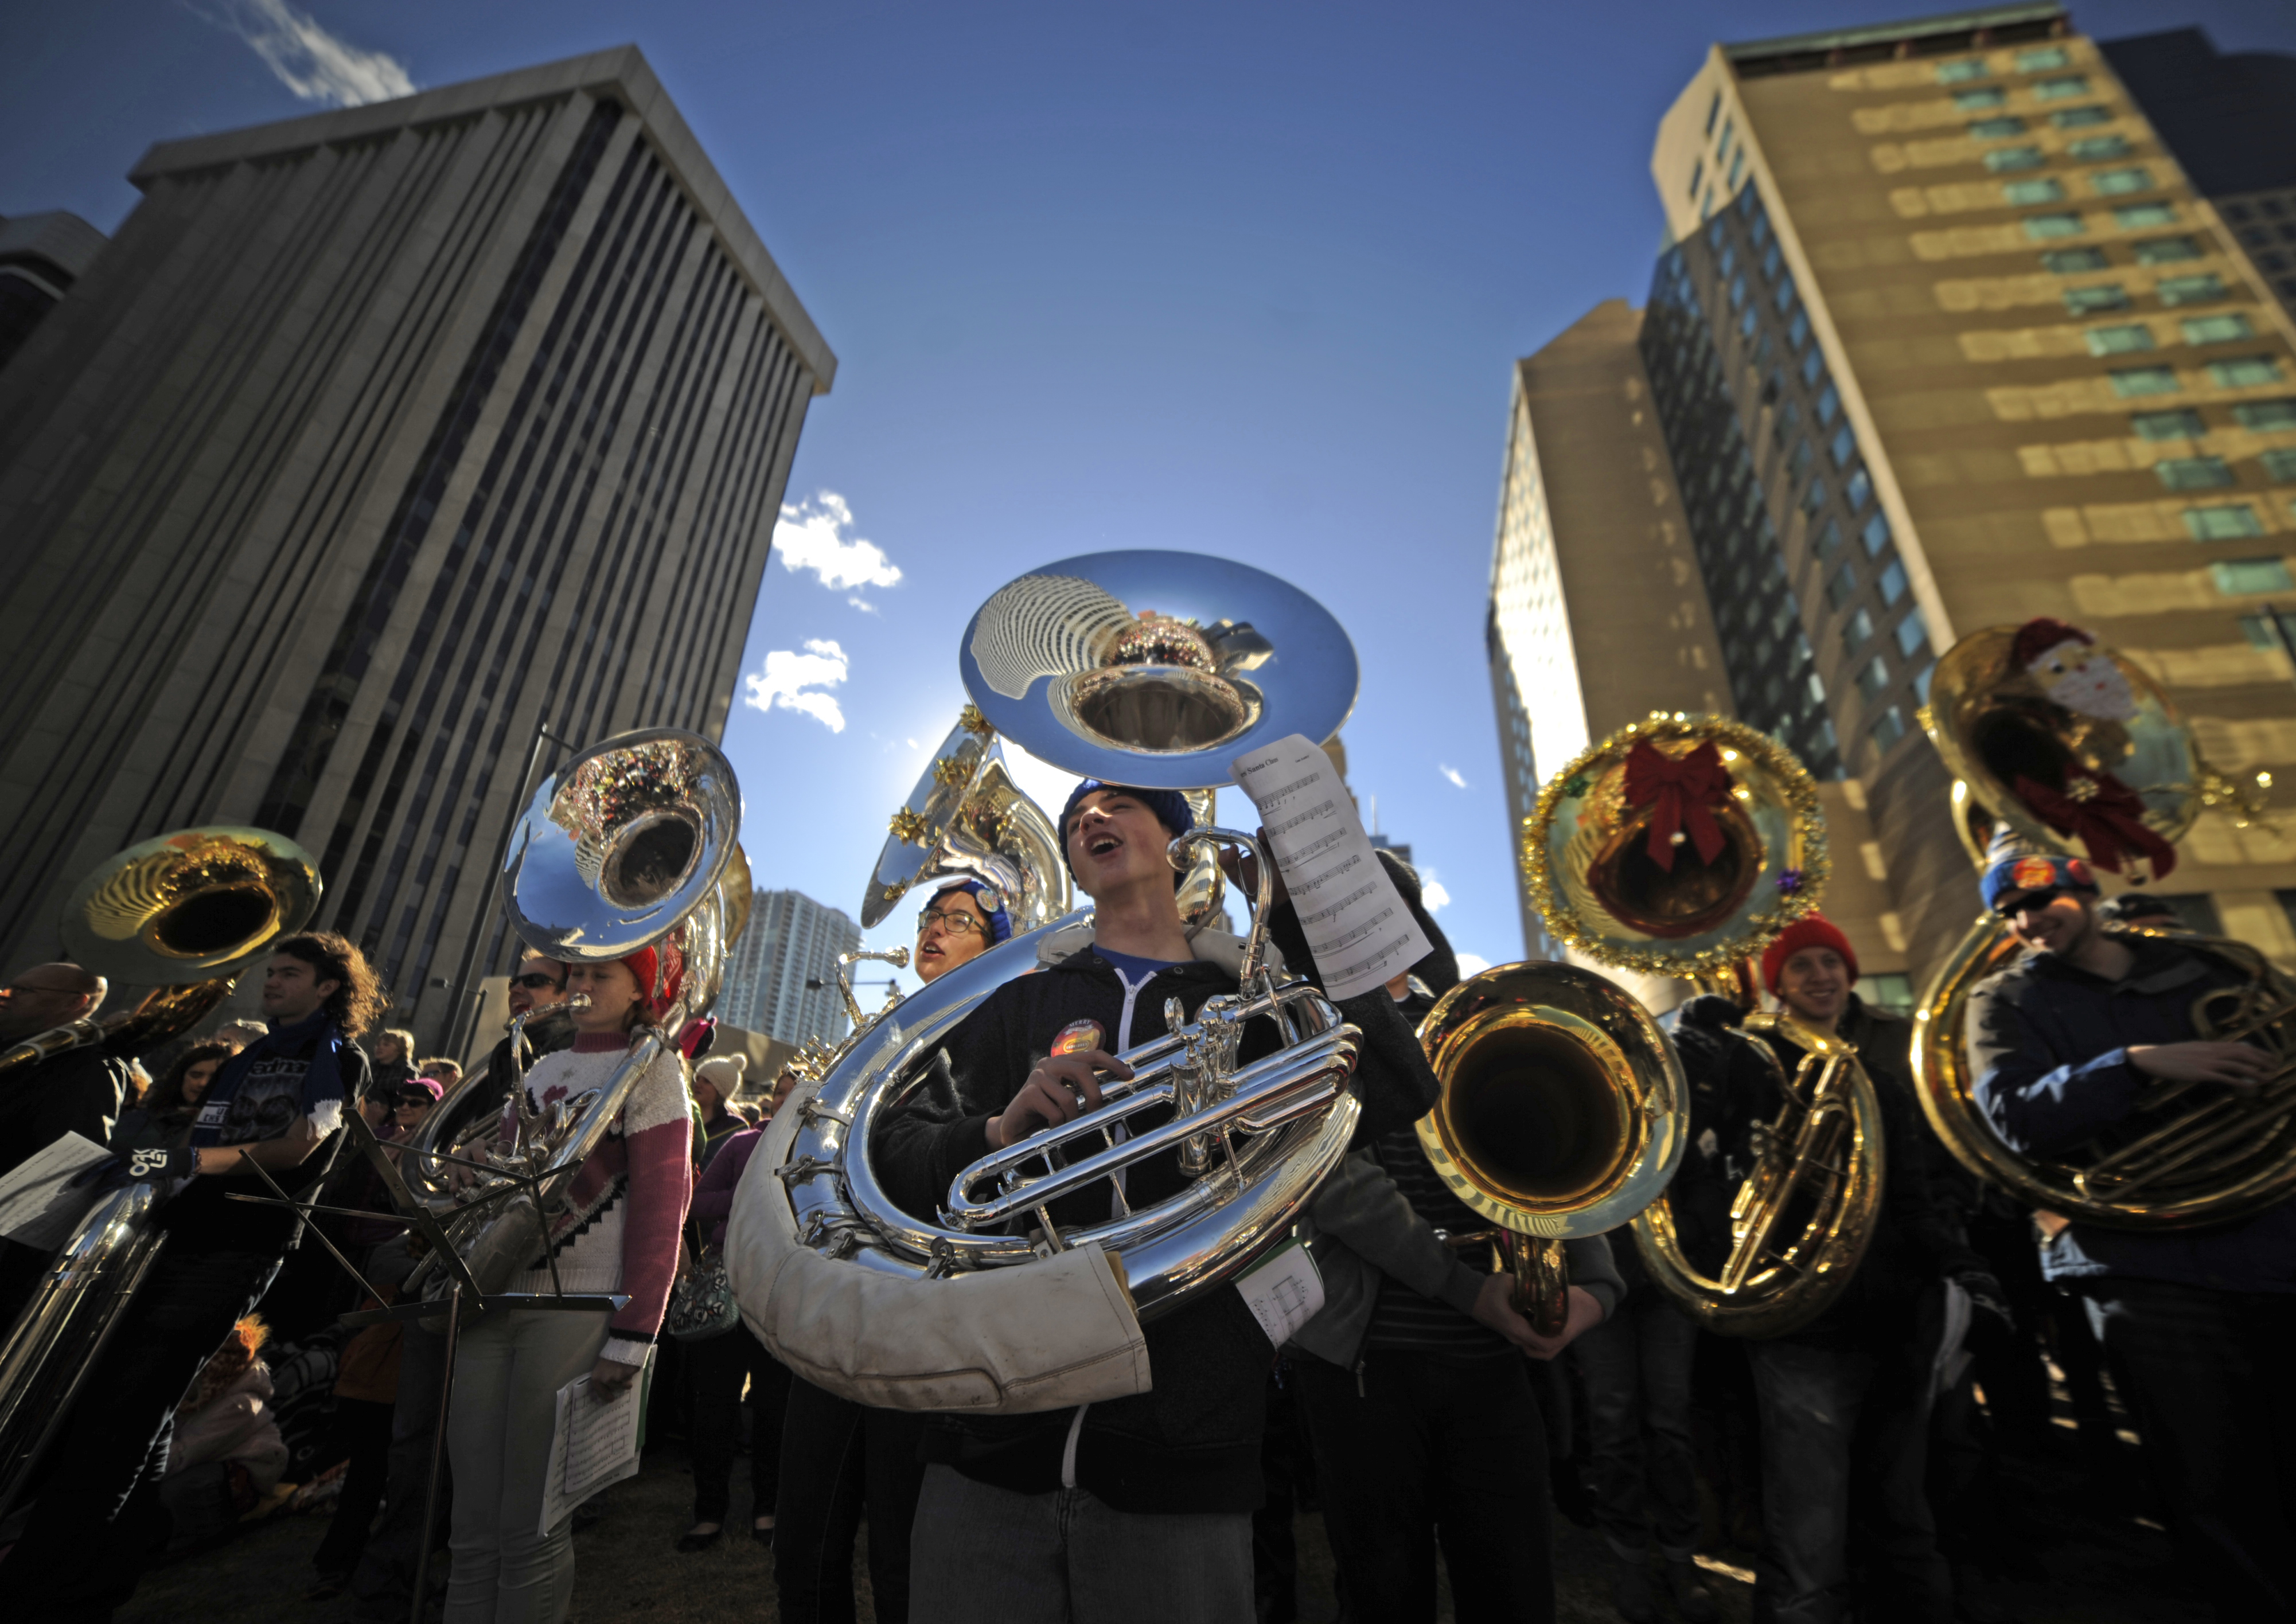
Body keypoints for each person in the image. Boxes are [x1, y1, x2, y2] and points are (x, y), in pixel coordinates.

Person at [876, 783, 1441, 1624]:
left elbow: (1396, 1084)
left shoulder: (1250, 993)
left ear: (1178, 837)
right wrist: (993, 1132)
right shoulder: (1013, 996)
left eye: (1117, 805)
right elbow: (896, 1155)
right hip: (990, 1428)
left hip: (1185, 1443)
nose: (1089, 820)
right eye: (1075, 819)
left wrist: (1298, 901)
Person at [1281, 851, 1623, 1624]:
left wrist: (1595, 1287)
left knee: (1512, 1587)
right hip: (1365, 1368)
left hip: (1490, 1364)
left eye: (1375, 898)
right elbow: (1336, 1184)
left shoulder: (1479, 1017)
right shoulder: (1301, 1027)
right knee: (1380, 1592)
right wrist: (1469, 1290)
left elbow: (1561, 1151)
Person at [0, 931, 379, 1618]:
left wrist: (183, 1166)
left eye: (289, 974)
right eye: (271, 971)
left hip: (238, 1245)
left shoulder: (337, 1056)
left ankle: (46, 1586)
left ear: (329, 987)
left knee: (126, 1413)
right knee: (119, 1411)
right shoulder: (250, 1055)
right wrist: (153, 1164)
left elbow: (302, 1143)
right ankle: (91, 1580)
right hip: (176, 1236)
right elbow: (201, 1138)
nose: (272, 982)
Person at [1967, 837, 2296, 1621]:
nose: (2024, 920)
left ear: (2081, 889)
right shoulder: (2002, 1000)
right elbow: (2013, 1118)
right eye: (2006, 912)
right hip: (2142, 1269)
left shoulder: (2208, 966)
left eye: (2037, 900)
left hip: (2271, 1241)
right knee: (2210, 1487)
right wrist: (2138, 1062)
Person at [1678, 913, 1990, 1624]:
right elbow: (1683, 1132)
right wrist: (1695, 1045)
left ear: (1850, 974)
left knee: (1902, 1511)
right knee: (1809, 1525)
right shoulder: (1745, 1066)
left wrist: (1958, 1265)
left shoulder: (1877, 1077)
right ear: (1777, 986)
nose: (1821, 976)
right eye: (1801, 967)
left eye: (1830, 963)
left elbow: (1912, 1196)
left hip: (1893, 1320)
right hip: (1802, 1329)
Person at [774, 876, 1011, 1623]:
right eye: (929, 918)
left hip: (921, 1306)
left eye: (959, 920)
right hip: (838, 1296)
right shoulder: (885, 1036)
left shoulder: (1000, 1027)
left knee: (902, 1544)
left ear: (994, 943)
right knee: (804, 1537)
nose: (935, 929)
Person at [441, 942, 692, 1621]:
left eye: (598, 974)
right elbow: (504, 1171)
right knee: (470, 1528)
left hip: (575, 1305)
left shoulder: (653, 1068)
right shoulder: (546, 1065)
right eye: (575, 973)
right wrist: (472, 1157)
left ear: (639, 991)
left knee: (532, 1525)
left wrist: (633, 1337)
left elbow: (662, 1207)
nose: (580, 984)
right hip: (491, 1293)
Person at [348, 951, 574, 1624]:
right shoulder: (498, 1066)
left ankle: (458, 1579)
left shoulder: (577, 1067)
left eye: (535, 981)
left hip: (518, 1275)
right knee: (415, 1439)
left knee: (483, 1451)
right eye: (518, 980)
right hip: (446, 1259)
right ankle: (393, 1584)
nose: (518, 991)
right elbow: (440, 1150)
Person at [157, 1313, 290, 1556]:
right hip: (203, 1464)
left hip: (233, 1479)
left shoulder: (239, 1405)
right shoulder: (197, 1396)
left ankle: (203, 1535)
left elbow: (187, 1453)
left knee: (181, 1486)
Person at [0, 960, 129, 1176]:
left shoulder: (89, 1066)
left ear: (75, 1002)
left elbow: (61, 1165)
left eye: (23, 990)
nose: (5, 994)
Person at [692, 1052, 750, 1171]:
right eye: (698, 1079)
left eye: (707, 1081)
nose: (698, 1084)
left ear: (721, 1090)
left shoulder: (735, 1128)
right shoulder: (684, 1116)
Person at [370, 1027, 417, 1099]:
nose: (380, 1047)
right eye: (378, 1044)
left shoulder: (408, 1072)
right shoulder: (370, 1067)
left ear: (400, 1049)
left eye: (386, 1045)